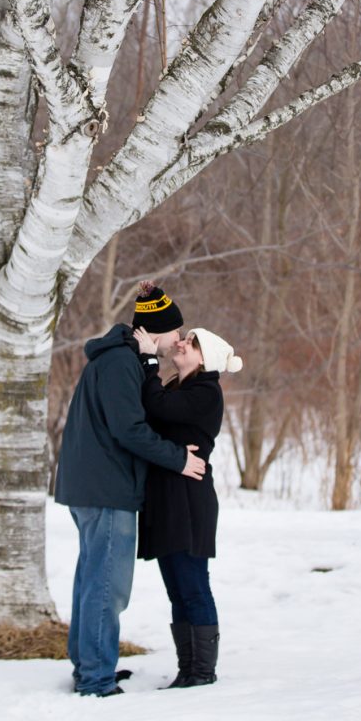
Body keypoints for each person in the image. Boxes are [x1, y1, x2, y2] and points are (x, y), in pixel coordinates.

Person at [54, 282, 206, 698]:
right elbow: (129, 428)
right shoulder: (121, 362)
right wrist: (178, 458)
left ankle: (89, 665)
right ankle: (96, 679)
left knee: (91, 579)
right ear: (158, 331)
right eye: (176, 332)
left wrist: (145, 364)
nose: (180, 340)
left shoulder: (122, 358)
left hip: (94, 484)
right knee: (107, 586)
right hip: (107, 487)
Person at [134, 325, 243, 688]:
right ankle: (187, 668)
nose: (181, 342)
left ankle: (202, 671)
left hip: (189, 500)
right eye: (184, 338)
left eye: (191, 342)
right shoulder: (176, 386)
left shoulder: (206, 391)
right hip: (167, 499)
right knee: (176, 589)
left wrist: (149, 358)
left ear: (204, 357)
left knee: (194, 586)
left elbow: (159, 408)